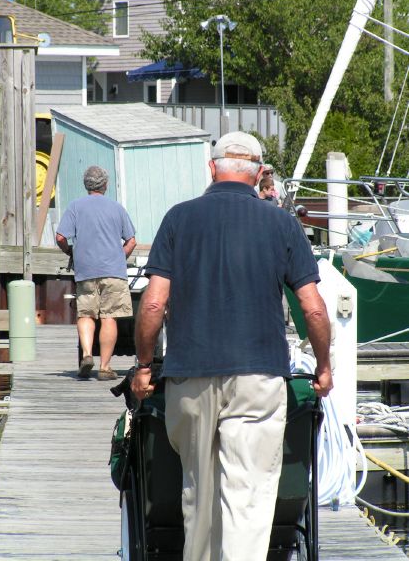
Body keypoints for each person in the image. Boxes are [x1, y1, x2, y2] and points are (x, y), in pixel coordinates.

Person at [131, 131, 333, 561]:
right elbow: (312, 309)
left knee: (198, 497)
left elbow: (153, 301)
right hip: (258, 377)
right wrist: (324, 366)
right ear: (259, 173)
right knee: (247, 498)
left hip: (189, 375)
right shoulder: (282, 223)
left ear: (211, 168)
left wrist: (145, 366)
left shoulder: (178, 218)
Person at [56, 165, 136, 381]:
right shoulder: (117, 208)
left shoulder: (75, 207)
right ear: (106, 185)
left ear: (86, 185)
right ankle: (105, 367)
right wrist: (121, 257)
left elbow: (61, 237)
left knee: (85, 314)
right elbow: (131, 240)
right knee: (109, 317)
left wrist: (71, 252)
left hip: (86, 270)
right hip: (113, 271)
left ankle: (87, 354)